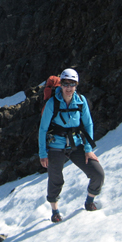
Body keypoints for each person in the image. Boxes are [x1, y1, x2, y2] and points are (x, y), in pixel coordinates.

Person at [38, 68, 104, 223]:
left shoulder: (81, 101)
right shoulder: (52, 103)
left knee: (98, 174)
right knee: (56, 179)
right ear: (60, 84)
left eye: (72, 84)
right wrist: (43, 153)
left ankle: (89, 202)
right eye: (65, 83)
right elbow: (43, 129)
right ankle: (55, 211)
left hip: (76, 144)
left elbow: (88, 124)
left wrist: (88, 150)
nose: (68, 87)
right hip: (56, 145)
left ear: (76, 85)